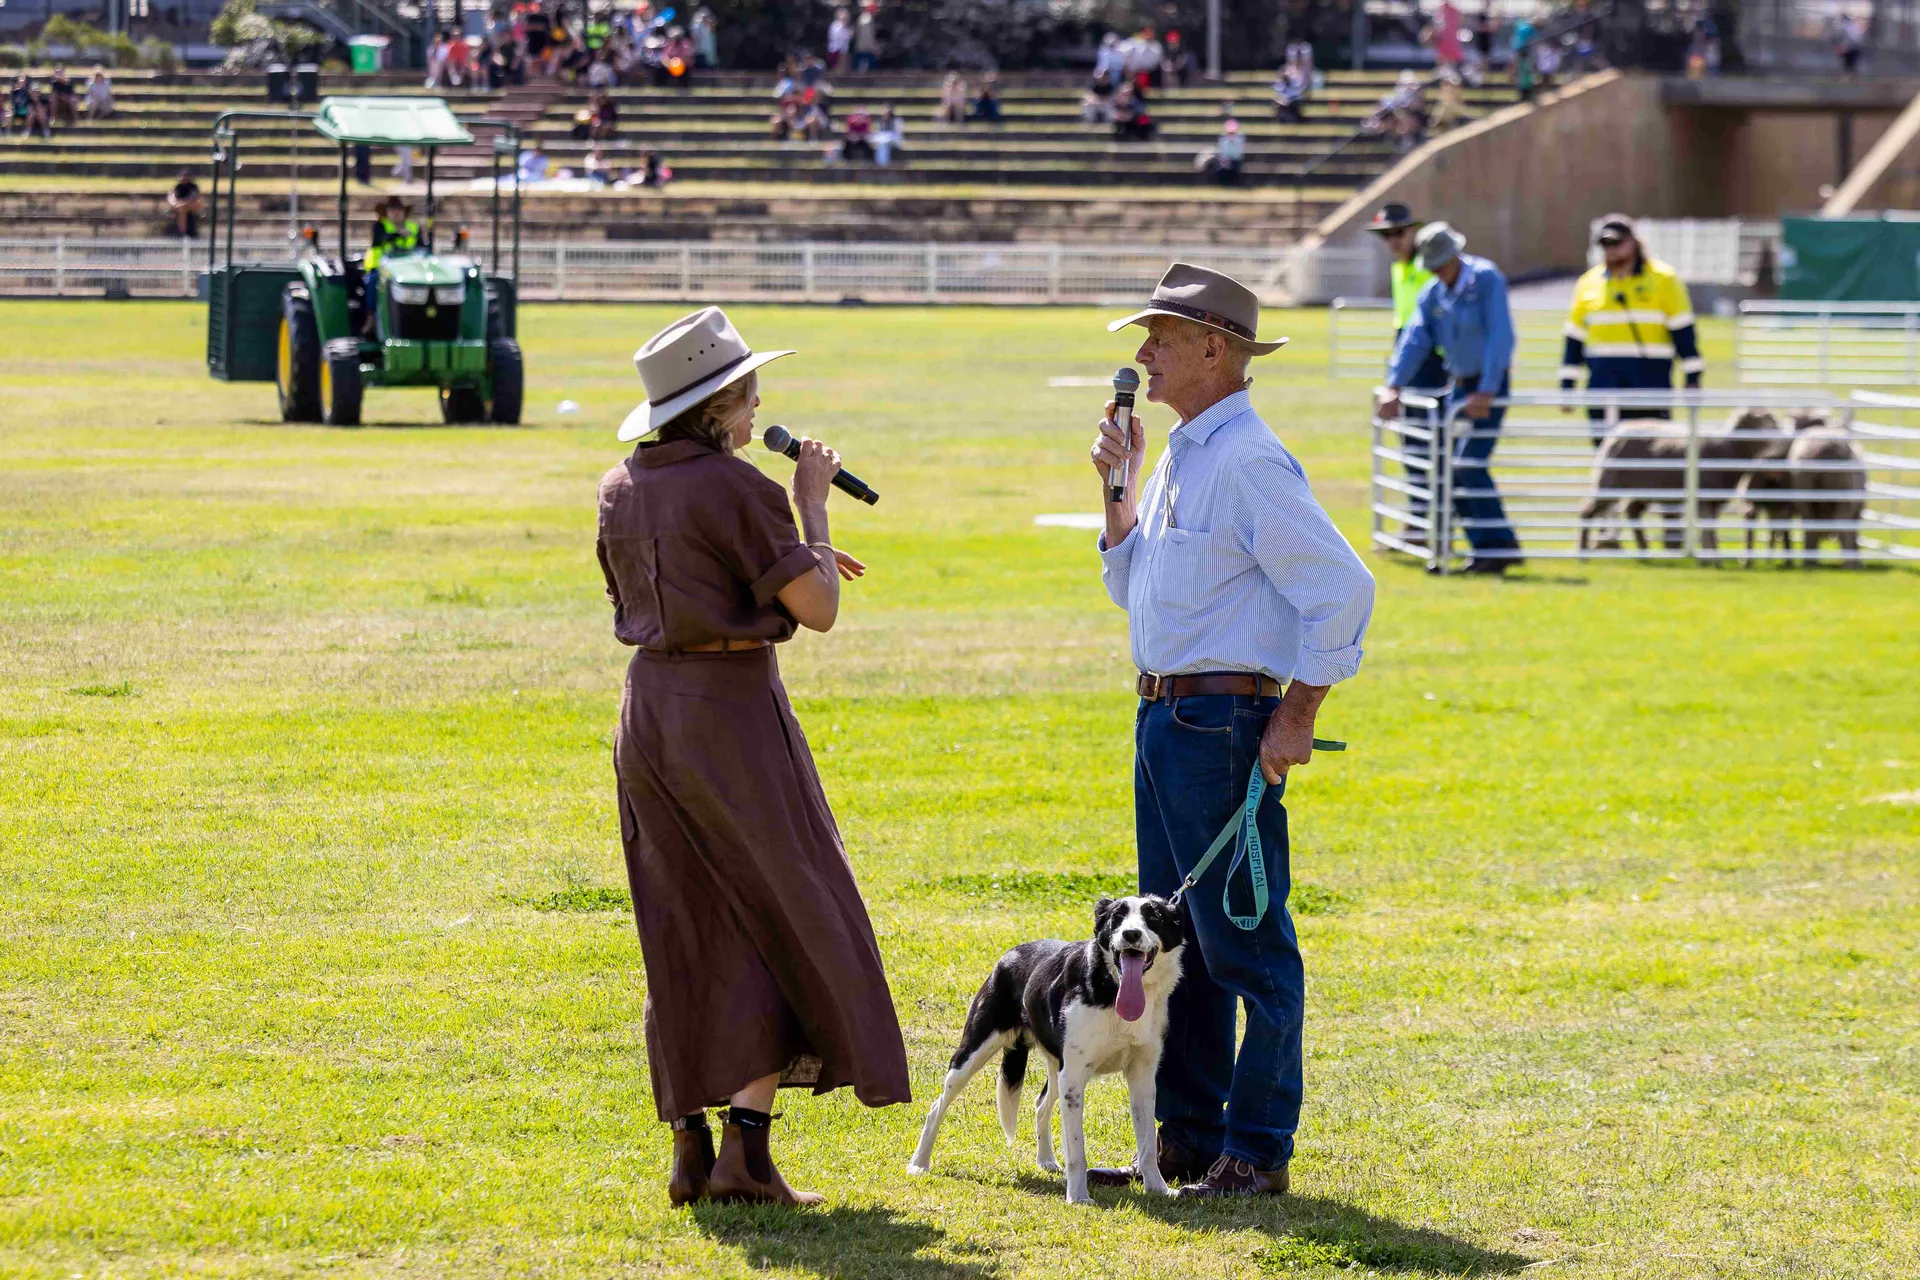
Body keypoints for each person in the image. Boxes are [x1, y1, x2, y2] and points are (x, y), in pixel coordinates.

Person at [597, 307, 912, 1206]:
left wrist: (789, 549)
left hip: (651, 712)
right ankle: (746, 1153)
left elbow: (674, 575)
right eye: (750, 392)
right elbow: (817, 610)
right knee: (784, 908)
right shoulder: (741, 487)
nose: (760, 404)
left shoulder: (622, 482)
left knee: (686, 918)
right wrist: (808, 504)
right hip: (729, 714)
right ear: (722, 404)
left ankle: (695, 1152)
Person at [1085, 264, 1375, 1198]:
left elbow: (1343, 589)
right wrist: (1116, 490)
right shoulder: (1183, 454)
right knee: (1180, 944)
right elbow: (1136, 589)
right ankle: (1192, 1138)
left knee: (1246, 945)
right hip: (1170, 716)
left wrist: (1297, 713)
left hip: (1219, 721)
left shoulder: (1247, 460)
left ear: (1216, 350)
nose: (1142, 355)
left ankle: (1254, 1148)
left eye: (1159, 340)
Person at [1378, 222, 1524, 573]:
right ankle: (1486, 548)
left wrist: (1487, 389)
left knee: (1467, 464)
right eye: (1435, 267)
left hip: (1487, 385)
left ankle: (1497, 545)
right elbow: (1415, 339)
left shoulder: (1486, 280)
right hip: (1458, 384)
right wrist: (1393, 384)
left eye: (1443, 264)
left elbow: (1499, 337)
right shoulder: (1433, 293)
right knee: (1449, 467)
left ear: (1457, 256)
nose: (1440, 272)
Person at [1561, 213, 1703, 438]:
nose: (1611, 249)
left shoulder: (1663, 279)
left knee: (1651, 456)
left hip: (1650, 383)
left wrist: (1693, 377)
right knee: (1607, 456)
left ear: (1633, 243)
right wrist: (1567, 385)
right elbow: (1574, 337)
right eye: (1605, 244)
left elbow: (1683, 331)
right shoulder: (1588, 283)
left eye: (1617, 243)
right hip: (1603, 385)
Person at [1369, 202, 1446, 542]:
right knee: (1413, 448)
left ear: (1413, 231)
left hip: (1434, 362)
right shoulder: (1400, 268)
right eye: (1386, 235)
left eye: (1398, 233)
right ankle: (1419, 522)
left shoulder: (1429, 265)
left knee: (1435, 448)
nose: (1393, 241)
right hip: (1409, 359)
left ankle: (1435, 524)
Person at [1201, 117, 1244, 185]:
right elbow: (1222, 152)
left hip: (1235, 161)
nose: (1231, 133)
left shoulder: (1239, 138)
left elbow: (1237, 154)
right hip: (1224, 161)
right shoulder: (1223, 138)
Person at [166, 168, 202, 237]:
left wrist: (184, 203)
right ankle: (183, 232)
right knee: (182, 208)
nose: (184, 178)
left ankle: (182, 232)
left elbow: (193, 198)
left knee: (183, 208)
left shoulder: (193, 187)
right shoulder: (177, 187)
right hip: (179, 207)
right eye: (182, 176)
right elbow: (172, 199)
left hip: (191, 206)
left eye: (186, 176)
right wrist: (179, 204)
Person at [852, 2, 879, 71]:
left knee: (859, 65)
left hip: (861, 46)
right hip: (866, 47)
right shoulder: (867, 20)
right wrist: (873, 46)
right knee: (869, 66)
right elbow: (867, 36)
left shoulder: (864, 17)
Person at [826, 7, 853, 72]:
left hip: (844, 51)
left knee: (844, 69)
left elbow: (848, 38)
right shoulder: (835, 25)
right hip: (836, 51)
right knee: (836, 69)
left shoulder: (846, 26)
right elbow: (836, 37)